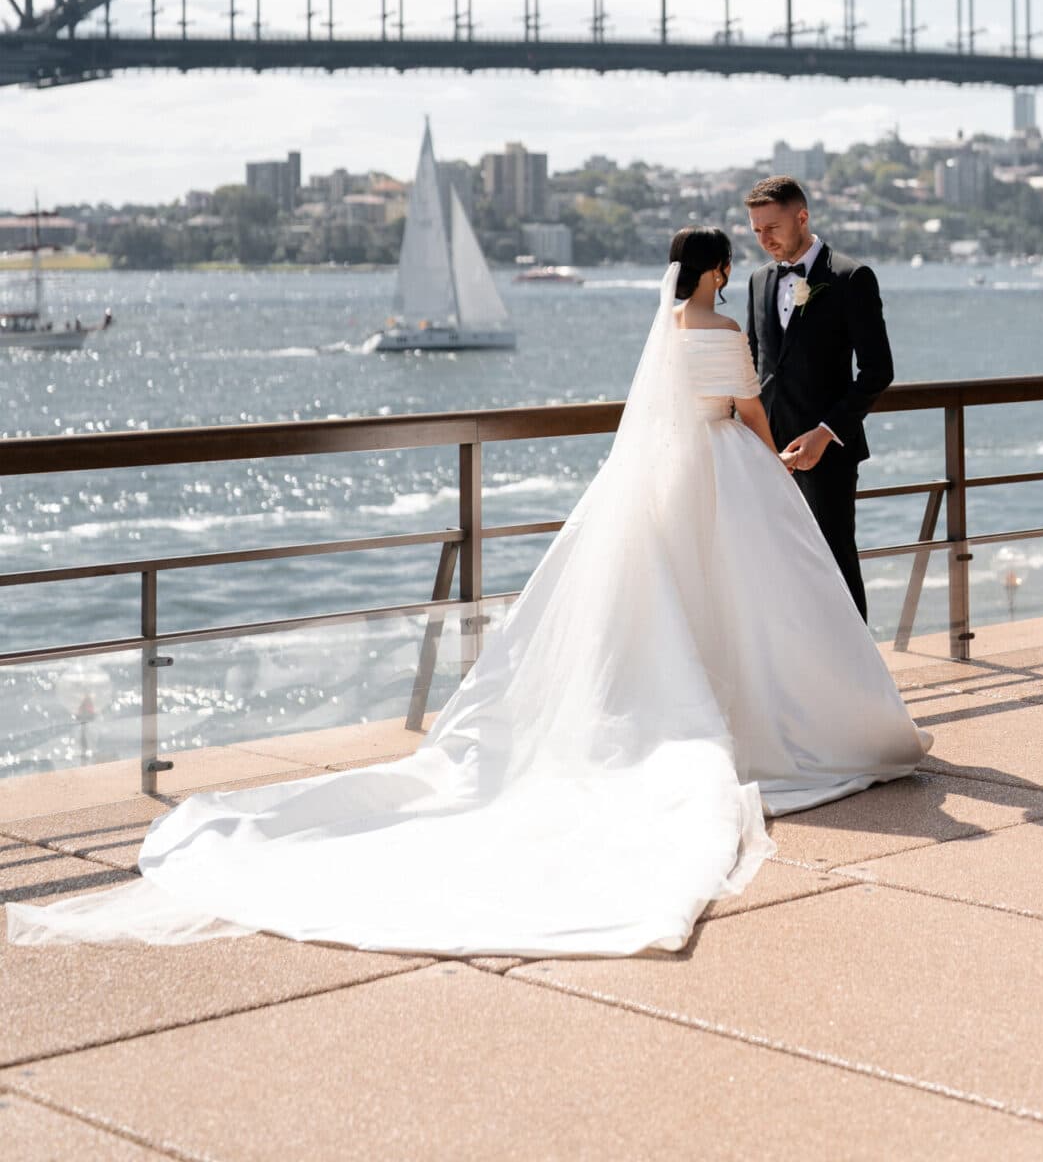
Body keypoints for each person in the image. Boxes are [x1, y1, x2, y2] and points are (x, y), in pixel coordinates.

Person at [8, 232, 928, 961]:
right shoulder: (724, 333)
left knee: (675, 607)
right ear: (721, 271)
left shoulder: (669, 336)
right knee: (764, 599)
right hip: (729, 467)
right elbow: (750, 412)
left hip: (662, 479)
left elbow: (663, 415)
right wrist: (775, 456)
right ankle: (774, 720)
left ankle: (692, 720)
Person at [744, 176, 894, 619]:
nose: (764, 239)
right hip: (766, 452)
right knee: (777, 568)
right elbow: (756, 366)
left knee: (835, 562)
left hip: (826, 452)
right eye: (755, 230)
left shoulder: (850, 277)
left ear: (802, 217)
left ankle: (859, 679)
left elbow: (878, 370)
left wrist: (825, 434)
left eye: (771, 227)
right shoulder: (757, 281)